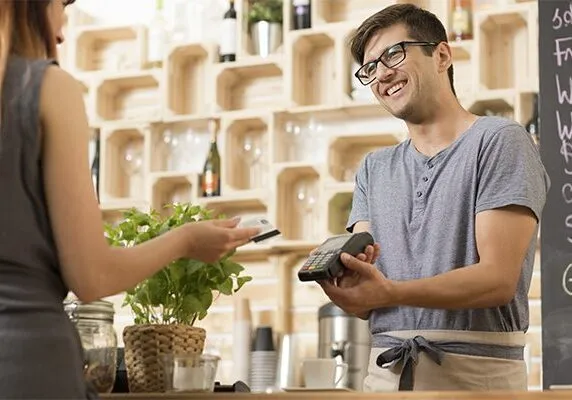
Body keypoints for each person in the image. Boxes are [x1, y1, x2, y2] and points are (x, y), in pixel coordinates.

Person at [0, 0, 261, 398]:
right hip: (27, 363)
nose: (62, 30)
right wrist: (186, 240)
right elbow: (92, 277)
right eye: (61, 7)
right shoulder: (47, 89)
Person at [317, 3, 550, 392]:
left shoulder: (499, 141)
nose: (382, 73)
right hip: (385, 378)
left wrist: (391, 292)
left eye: (394, 53)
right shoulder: (374, 168)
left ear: (441, 54)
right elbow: (369, 292)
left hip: (477, 379)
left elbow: (497, 279)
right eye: (370, 68)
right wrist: (350, 291)